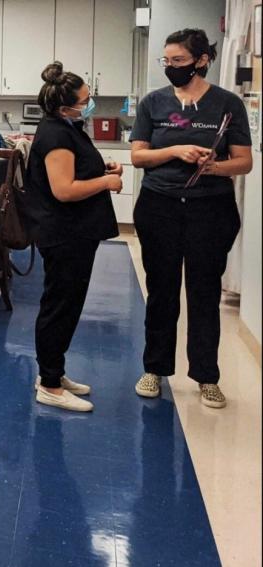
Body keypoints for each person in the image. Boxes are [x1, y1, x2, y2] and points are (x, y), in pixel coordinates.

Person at [129, 29, 253, 409]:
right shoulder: (154, 103)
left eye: (178, 61)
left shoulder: (228, 104)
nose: (170, 67)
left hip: (210, 209)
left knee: (204, 293)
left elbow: (244, 162)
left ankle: (206, 377)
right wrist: (176, 150)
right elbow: (138, 156)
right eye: (166, 61)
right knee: (162, 291)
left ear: (202, 60)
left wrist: (214, 166)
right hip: (159, 206)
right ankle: (154, 369)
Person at [25, 62, 123, 412]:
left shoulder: (68, 127)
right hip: (64, 233)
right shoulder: (55, 134)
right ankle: (49, 385)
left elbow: (76, 170)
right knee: (59, 307)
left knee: (68, 305)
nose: (90, 102)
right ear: (66, 106)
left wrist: (102, 169)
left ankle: (54, 371)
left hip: (76, 232)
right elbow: (64, 189)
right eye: (86, 99)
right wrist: (106, 182)